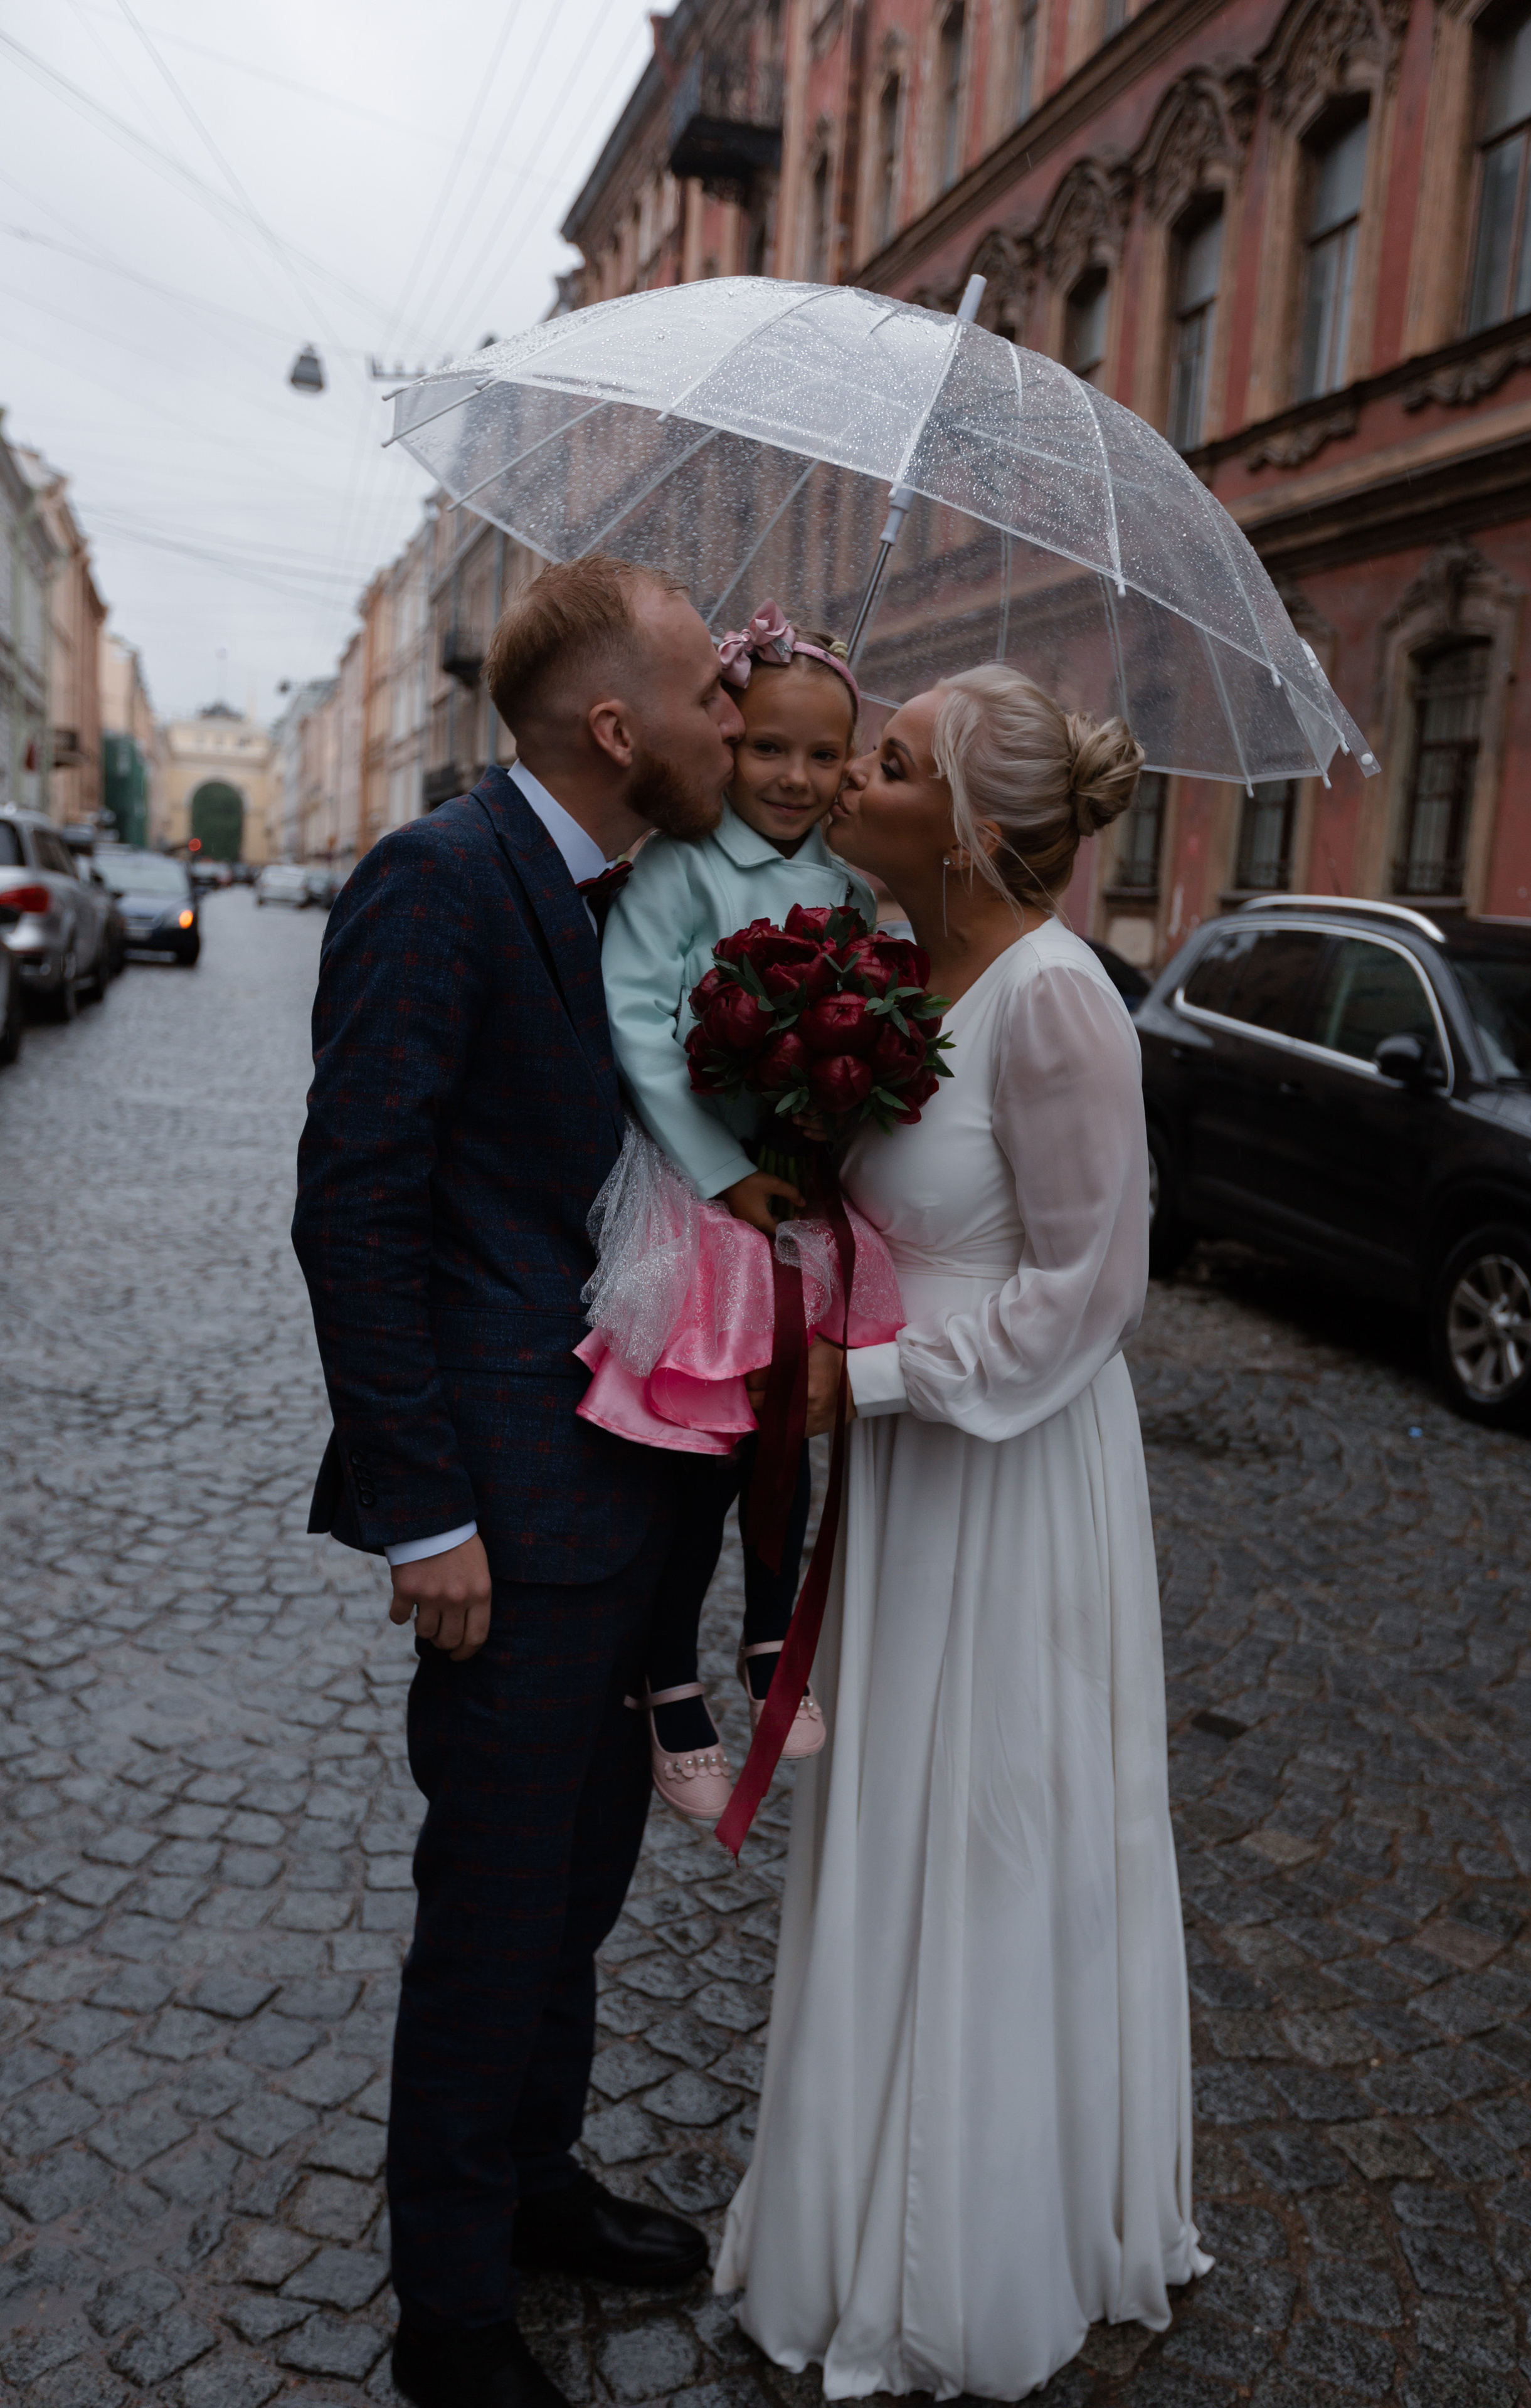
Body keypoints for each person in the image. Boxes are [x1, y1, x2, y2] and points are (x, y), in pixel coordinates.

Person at [716, 664, 1210, 2399]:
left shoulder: (1057, 1000)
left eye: (890, 761)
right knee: (893, 1812)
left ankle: (979, 2241)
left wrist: (872, 1380)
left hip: (1005, 1469)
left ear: (972, 826)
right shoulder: (892, 966)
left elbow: (1090, 1290)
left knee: (992, 1816)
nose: (849, 777)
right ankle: (853, 2196)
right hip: (906, 1464)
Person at [292, 554, 746, 2408]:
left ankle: (537, 2179)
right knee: (491, 1914)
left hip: (637, 1497)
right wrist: (427, 1512)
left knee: (576, 1888)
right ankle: (454, 2314)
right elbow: (356, 1207)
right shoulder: (440, 878)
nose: (738, 718)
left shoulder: (643, 901)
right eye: (712, 693)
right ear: (617, 729)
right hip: (503, 1517)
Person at [598, 602, 876, 1819]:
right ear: (727, 740)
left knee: (787, 1426)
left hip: (795, 1197)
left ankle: (773, 1635)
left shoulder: (849, 889)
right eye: (768, 747)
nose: (794, 777)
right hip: (696, 1197)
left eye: (822, 754)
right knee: (694, 1464)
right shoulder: (682, 864)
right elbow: (634, 1019)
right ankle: (665, 1671)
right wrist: (723, 1170)